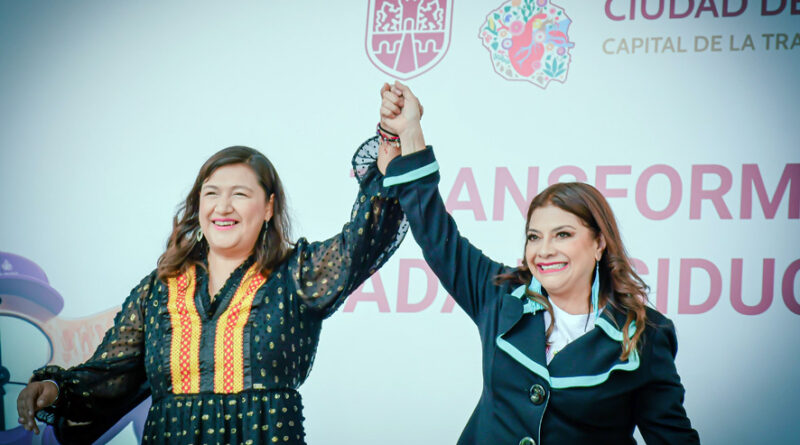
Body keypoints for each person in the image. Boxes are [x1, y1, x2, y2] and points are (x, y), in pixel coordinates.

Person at [16, 141, 407, 444]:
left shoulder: (297, 273)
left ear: (268, 207)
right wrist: (53, 389)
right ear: (198, 204)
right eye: (211, 193)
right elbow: (108, 375)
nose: (223, 207)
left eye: (240, 194)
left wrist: (391, 150)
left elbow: (367, 238)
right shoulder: (159, 289)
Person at [377, 81, 700, 444]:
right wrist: (411, 130)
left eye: (562, 234)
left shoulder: (645, 335)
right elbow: (435, 233)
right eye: (534, 236)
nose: (544, 250)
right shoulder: (500, 296)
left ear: (599, 243)